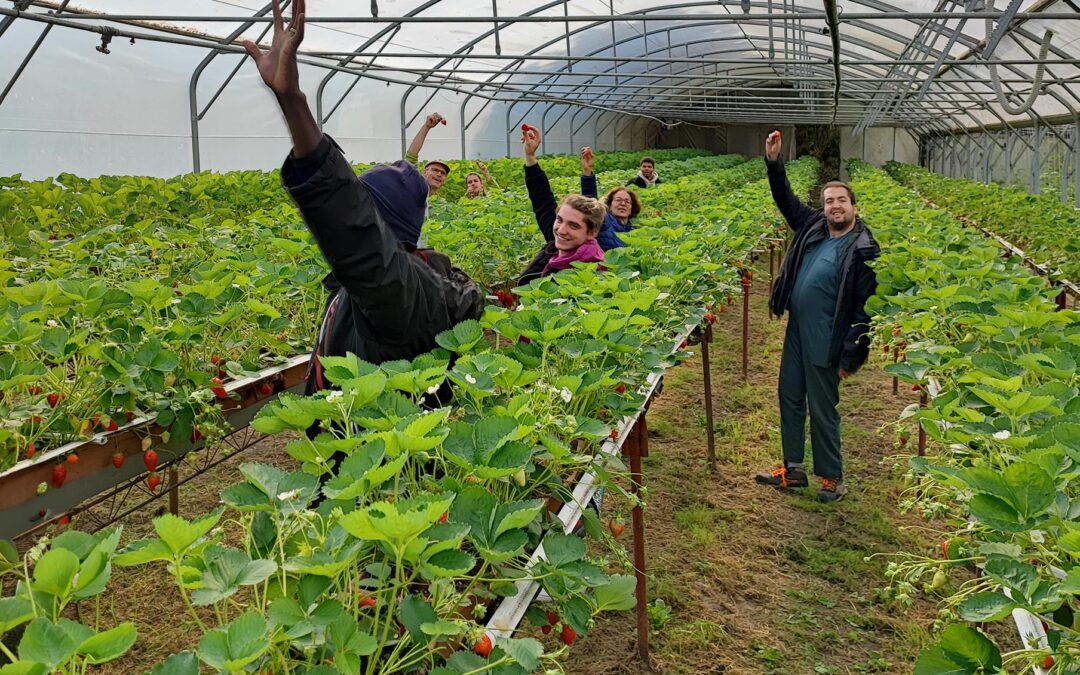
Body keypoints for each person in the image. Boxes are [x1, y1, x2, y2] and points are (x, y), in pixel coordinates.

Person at [241, 1, 484, 404]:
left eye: (365, 207)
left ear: (379, 226)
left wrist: (292, 100)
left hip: (372, 457)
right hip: (356, 443)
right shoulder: (405, 281)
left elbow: (350, 223)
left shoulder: (398, 290)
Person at [754, 130, 880, 503]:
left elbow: (863, 309)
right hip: (798, 329)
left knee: (822, 407)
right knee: (789, 394)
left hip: (828, 334)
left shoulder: (864, 248)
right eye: (829, 201)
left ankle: (832, 476)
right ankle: (793, 469)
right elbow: (785, 201)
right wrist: (774, 164)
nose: (834, 206)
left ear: (854, 205)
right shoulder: (813, 226)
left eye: (841, 200)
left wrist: (850, 356)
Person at [516, 125, 606, 286]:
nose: (561, 229)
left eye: (573, 225)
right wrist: (530, 156)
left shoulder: (591, 276)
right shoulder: (555, 246)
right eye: (559, 219)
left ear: (592, 232)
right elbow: (542, 200)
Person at [580, 146, 638, 249]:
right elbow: (589, 201)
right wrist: (587, 170)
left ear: (632, 208)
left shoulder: (634, 230)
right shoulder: (604, 220)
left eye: (627, 201)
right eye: (618, 200)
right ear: (609, 205)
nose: (623, 203)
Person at [405, 112, 451, 197]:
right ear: (424, 173)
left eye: (443, 173)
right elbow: (411, 155)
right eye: (435, 170)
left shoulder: (441, 204)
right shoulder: (415, 189)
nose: (439, 174)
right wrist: (426, 127)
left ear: (444, 181)